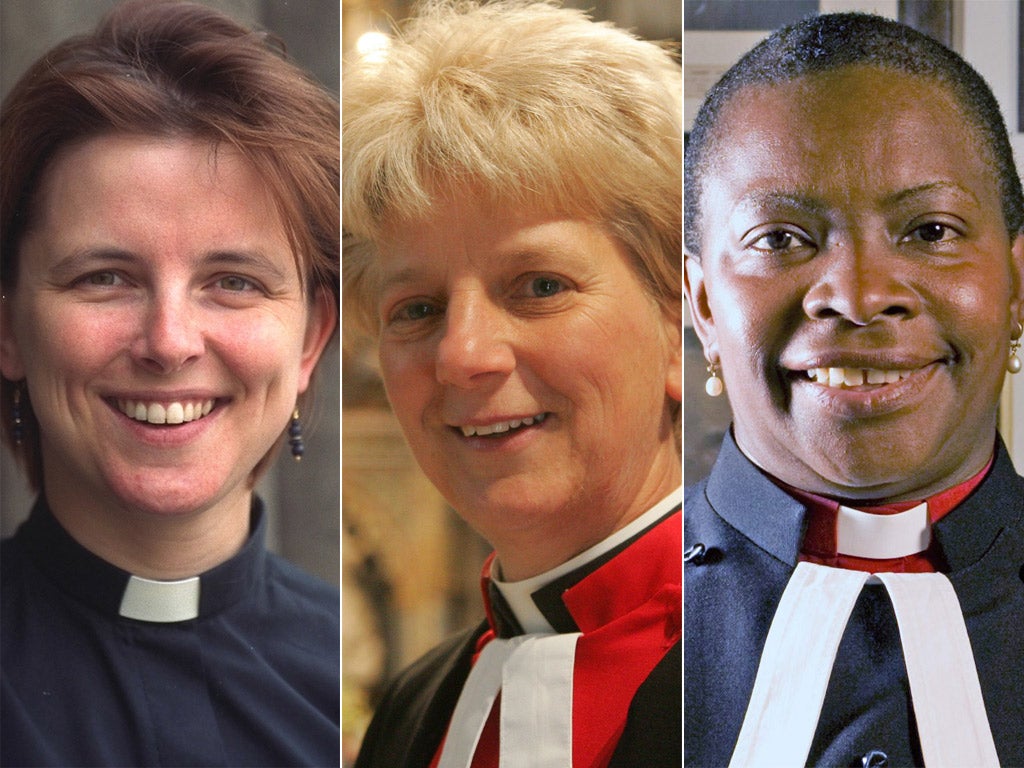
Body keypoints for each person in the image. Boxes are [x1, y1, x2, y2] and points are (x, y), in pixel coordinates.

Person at [0, 2, 340, 765]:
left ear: (312, 338)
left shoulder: (384, 709)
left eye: (233, 281)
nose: (169, 342)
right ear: (9, 329)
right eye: (106, 277)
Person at [343, 1, 682, 765]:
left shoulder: (790, 676)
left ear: (680, 326)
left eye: (539, 286)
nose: (463, 355)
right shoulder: (410, 712)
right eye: (417, 308)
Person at [684, 12, 1024, 767]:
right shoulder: (615, 633)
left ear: (1016, 281)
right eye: (780, 238)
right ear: (704, 305)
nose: (861, 296)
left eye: (931, 231)